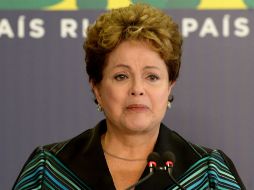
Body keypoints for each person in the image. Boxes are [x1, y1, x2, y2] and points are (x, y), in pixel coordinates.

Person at [13, 3, 245, 190]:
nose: (137, 89)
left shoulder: (208, 172)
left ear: (170, 86)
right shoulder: (49, 169)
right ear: (96, 87)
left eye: (152, 77)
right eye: (121, 76)